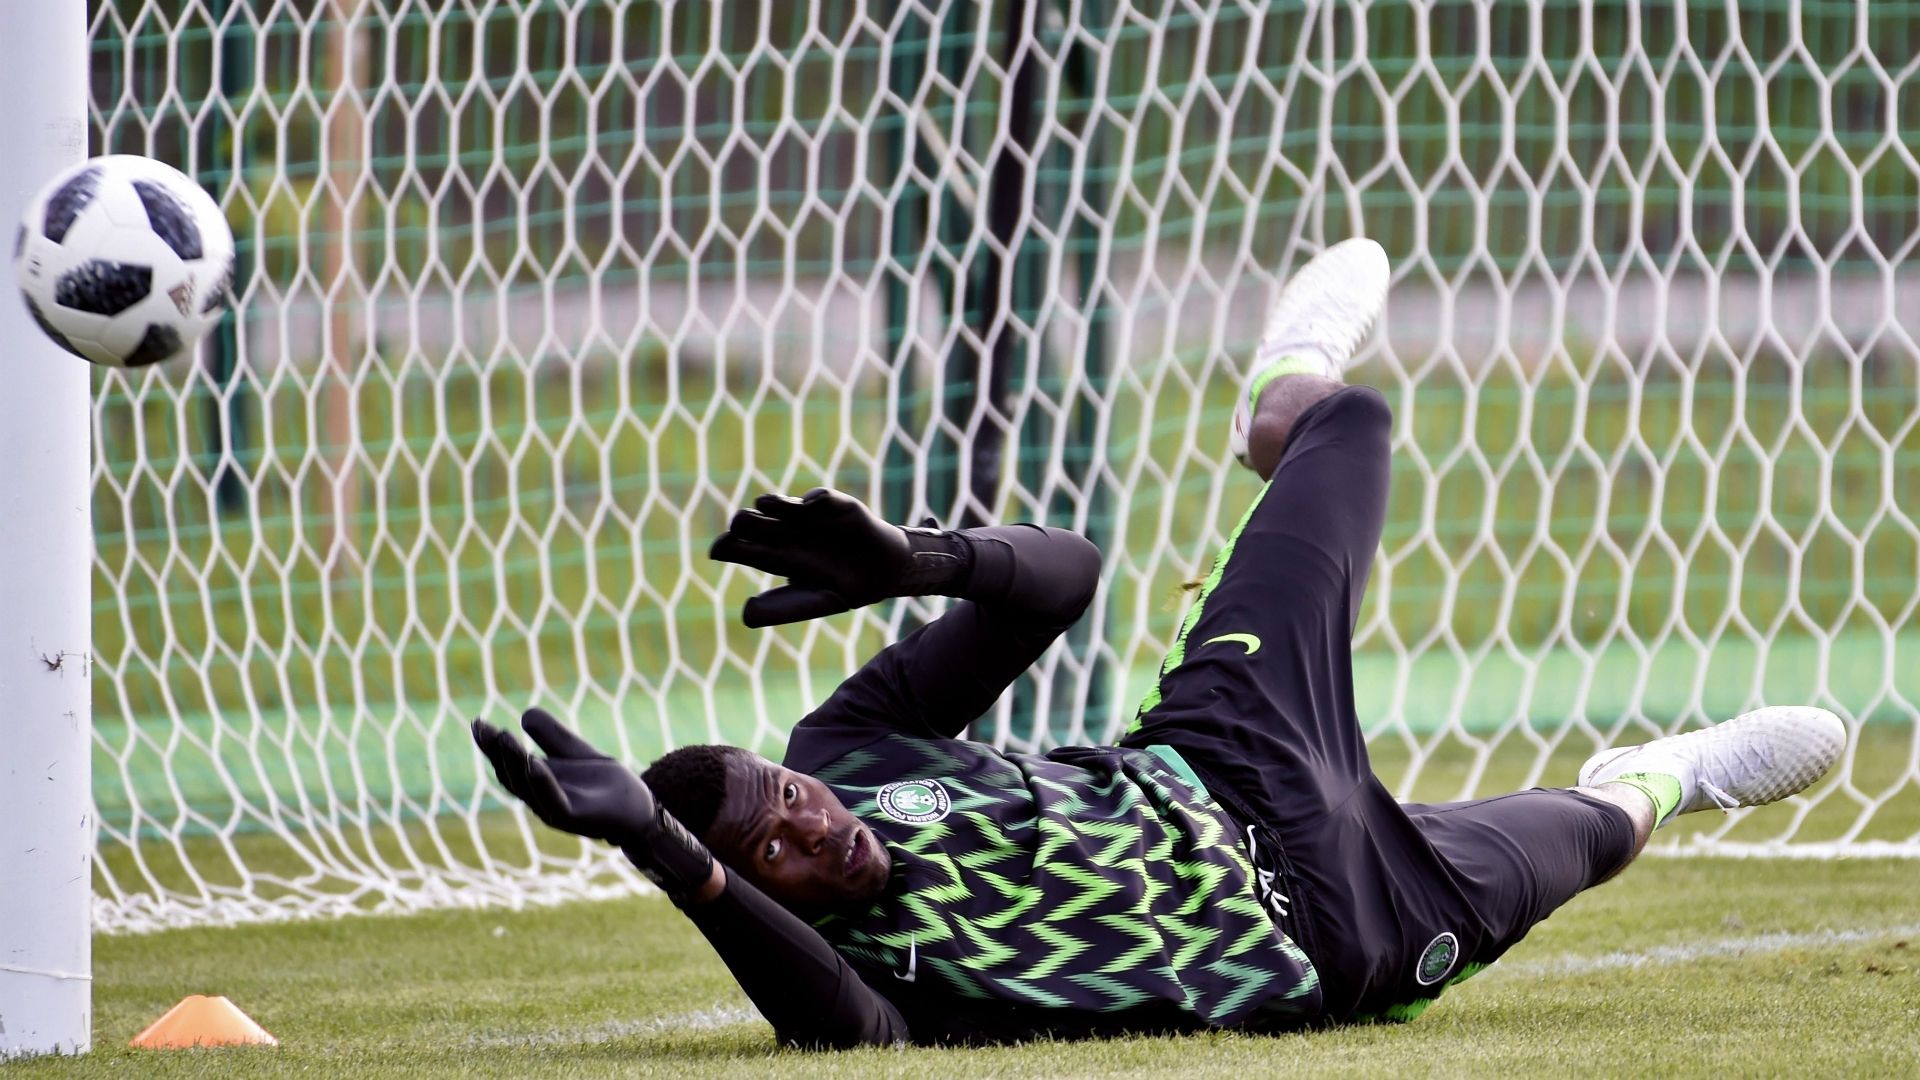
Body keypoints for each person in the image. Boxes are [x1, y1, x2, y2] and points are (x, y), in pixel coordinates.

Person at [471, 239, 1847, 1048]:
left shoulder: (849, 751)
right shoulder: (881, 976)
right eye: (777, 847)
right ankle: (1670, 770)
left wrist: (916, 562)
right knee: (1601, 837)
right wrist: (673, 858)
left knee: (1349, 424)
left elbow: (1062, 580)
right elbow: (848, 1029)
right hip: (1341, 932)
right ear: (761, 888)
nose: (812, 824)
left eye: (789, 796)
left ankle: (1274, 390)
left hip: (1221, 753)